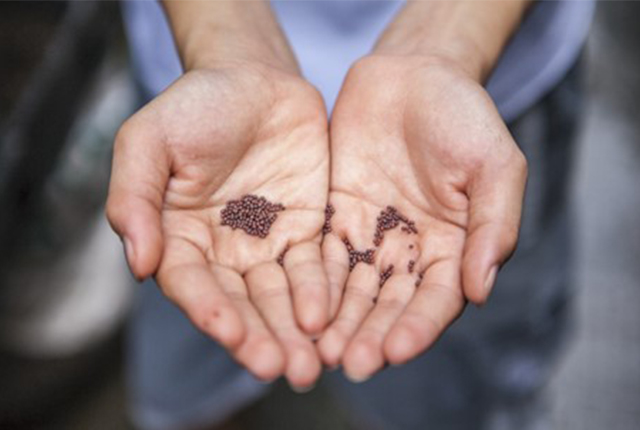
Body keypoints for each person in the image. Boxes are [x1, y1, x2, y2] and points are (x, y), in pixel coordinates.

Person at [107, 1, 595, 429]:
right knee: (190, 363)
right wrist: (225, 39)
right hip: (211, 124)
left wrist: (445, 42)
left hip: (471, 105)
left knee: (448, 396)